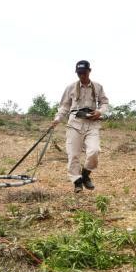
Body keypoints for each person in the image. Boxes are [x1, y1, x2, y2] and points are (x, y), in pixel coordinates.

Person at [52, 60, 109, 193]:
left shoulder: (98, 87)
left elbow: (105, 102)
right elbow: (64, 106)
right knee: (73, 155)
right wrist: (57, 119)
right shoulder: (70, 87)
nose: (82, 75)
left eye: (84, 72)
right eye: (79, 73)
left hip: (92, 123)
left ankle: (85, 175)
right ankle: (77, 182)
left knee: (94, 151)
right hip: (75, 124)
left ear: (89, 71)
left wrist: (100, 111)